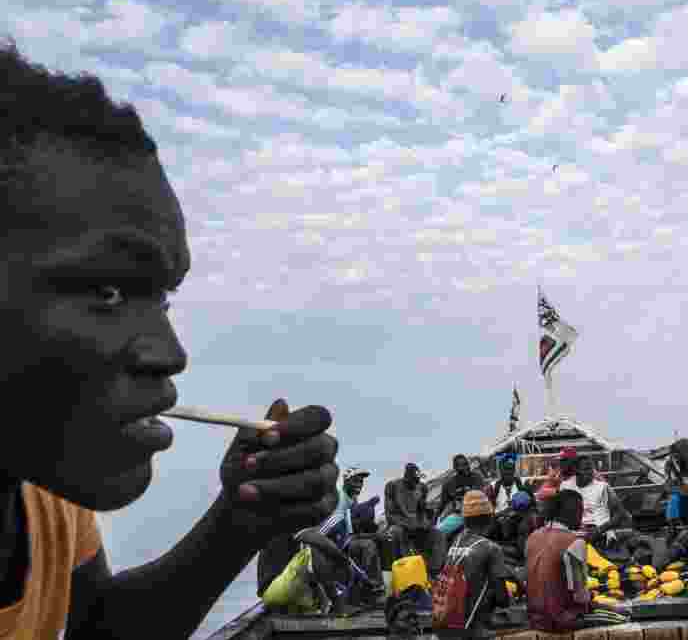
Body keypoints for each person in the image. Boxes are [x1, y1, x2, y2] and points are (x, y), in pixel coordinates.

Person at [0, 42, 340, 639]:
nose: (170, 352)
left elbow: (95, 628)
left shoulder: (39, 493)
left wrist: (240, 522)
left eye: (160, 297)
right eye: (107, 292)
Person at [434, 490, 513, 636]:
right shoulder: (491, 548)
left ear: (465, 519)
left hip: (446, 624)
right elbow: (503, 600)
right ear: (489, 517)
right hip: (471, 629)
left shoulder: (455, 542)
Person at [525, 489, 591, 632]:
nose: (582, 516)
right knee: (619, 617)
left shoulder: (532, 537)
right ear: (574, 512)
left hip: (534, 620)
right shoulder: (575, 542)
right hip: (561, 621)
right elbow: (581, 597)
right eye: (581, 511)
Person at [319, 467, 384, 596]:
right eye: (355, 481)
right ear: (346, 482)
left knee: (374, 542)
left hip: (343, 542)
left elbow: (350, 534)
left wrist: (374, 535)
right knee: (368, 546)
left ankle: (371, 587)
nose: (359, 485)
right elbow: (324, 531)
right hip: (331, 545)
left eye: (361, 482)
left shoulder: (350, 500)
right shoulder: (340, 499)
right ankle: (369, 587)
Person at [385, 463, 446, 577]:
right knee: (395, 532)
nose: (416, 483)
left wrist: (426, 521)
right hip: (400, 525)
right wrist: (408, 524)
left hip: (417, 526)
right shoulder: (392, 486)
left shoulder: (422, 487)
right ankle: (408, 573)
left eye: (418, 480)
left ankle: (434, 571)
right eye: (413, 480)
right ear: (406, 477)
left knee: (438, 534)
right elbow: (390, 515)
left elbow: (422, 512)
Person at [559, 456, 632, 552]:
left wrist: (600, 530)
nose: (591, 472)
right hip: (575, 533)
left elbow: (619, 514)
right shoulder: (565, 486)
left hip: (599, 532)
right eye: (586, 469)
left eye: (591, 468)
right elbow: (561, 513)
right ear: (576, 470)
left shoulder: (602, 487)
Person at [484, 458, 539, 557]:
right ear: (500, 471)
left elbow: (533, 505)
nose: (508, 472)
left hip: (519, 517)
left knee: (525, 525)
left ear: (514, 470)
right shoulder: (493, 487)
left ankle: (521, 552)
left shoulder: (522, 484)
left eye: (511, 469)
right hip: (499, 518)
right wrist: (502, 514)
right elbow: (488, 511)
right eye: (505, 469)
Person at [663, 439, 688, 541]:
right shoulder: (669, 464)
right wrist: (678, 490)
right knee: (674, 500)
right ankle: (673, 529)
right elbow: (667, 485)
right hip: (678, 493)